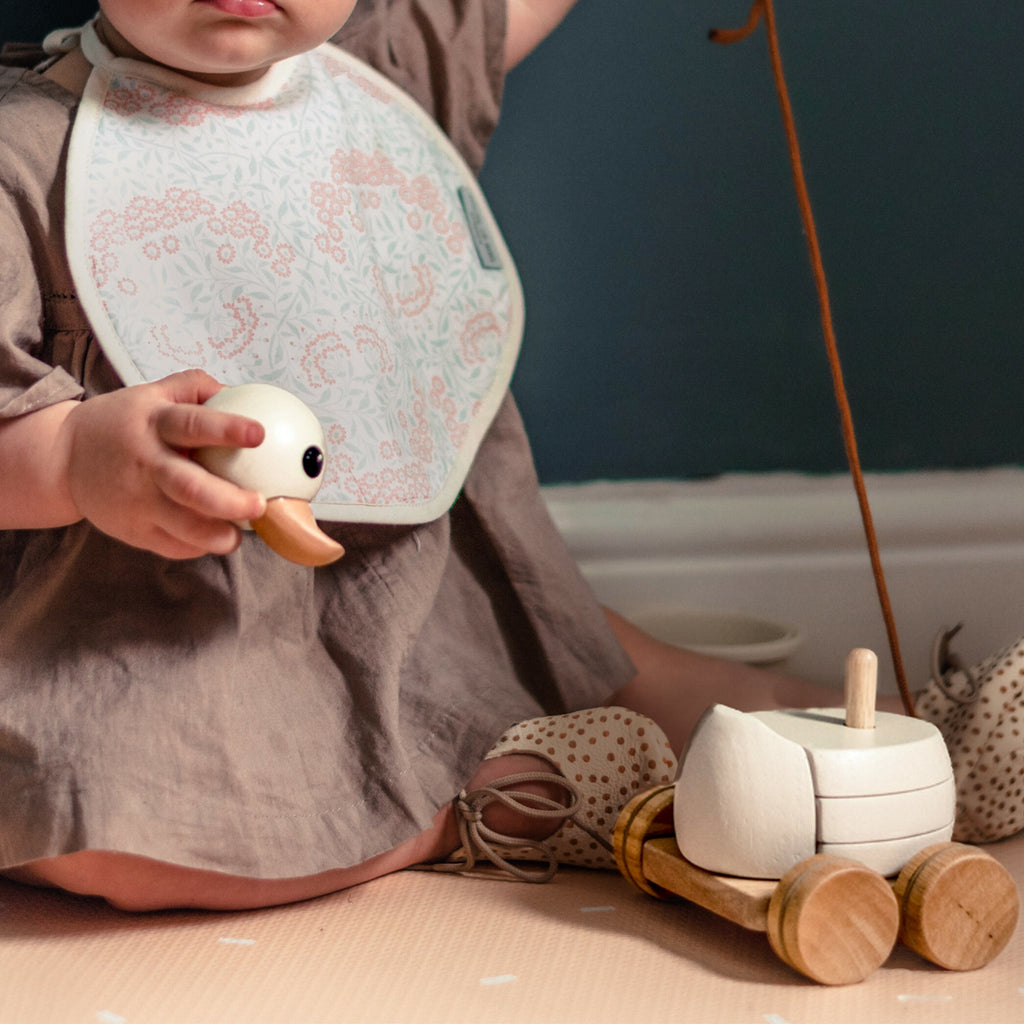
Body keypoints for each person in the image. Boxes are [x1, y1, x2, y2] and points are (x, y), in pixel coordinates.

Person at [0, 0, 839, 913]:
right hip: (165, 622)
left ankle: (850, 722)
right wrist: (79, 455)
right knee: (100, 831)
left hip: (420, 581)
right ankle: (509, 798)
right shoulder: (24, 155)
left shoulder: (387, 62)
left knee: (584, 664)